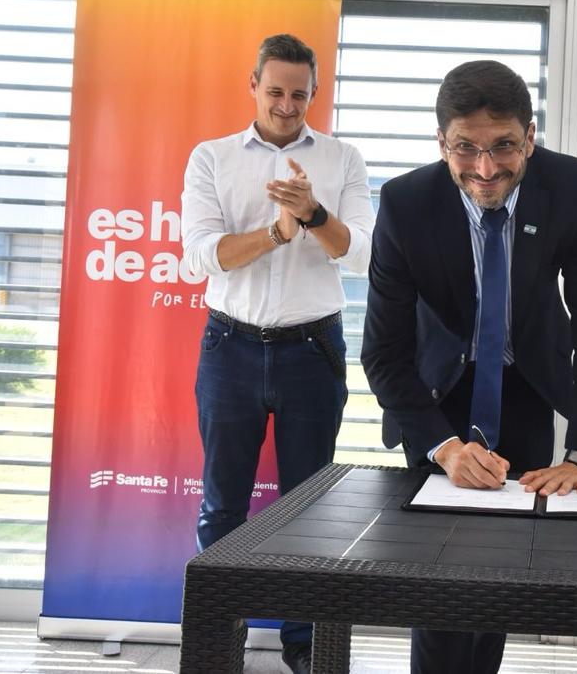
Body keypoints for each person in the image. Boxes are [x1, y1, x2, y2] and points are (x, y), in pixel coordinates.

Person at [361, 59, 577, 674]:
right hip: (437, 396)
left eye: (504, 146)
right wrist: (443, 447)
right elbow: (384, 352)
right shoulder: (405, 203)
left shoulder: (569, 185)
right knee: (440, 585)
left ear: (530, 136)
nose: (485, 169)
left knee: (501, 575)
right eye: (466, 149)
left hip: (525, 387)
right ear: (441, 143)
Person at [181, 33, 374, 674]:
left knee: (310, 510)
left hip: (312, 350)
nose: (287, 106)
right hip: (229, 346)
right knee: (222, 506)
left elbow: (362, 253)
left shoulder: (343, 159)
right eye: (275, 92)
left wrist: (313, 214)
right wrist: (276, 231)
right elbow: (202, 256)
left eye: (299, 94)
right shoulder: (211, 157)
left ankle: (305, 647)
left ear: (314, 92)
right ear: (253, 86)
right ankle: (218, 645)